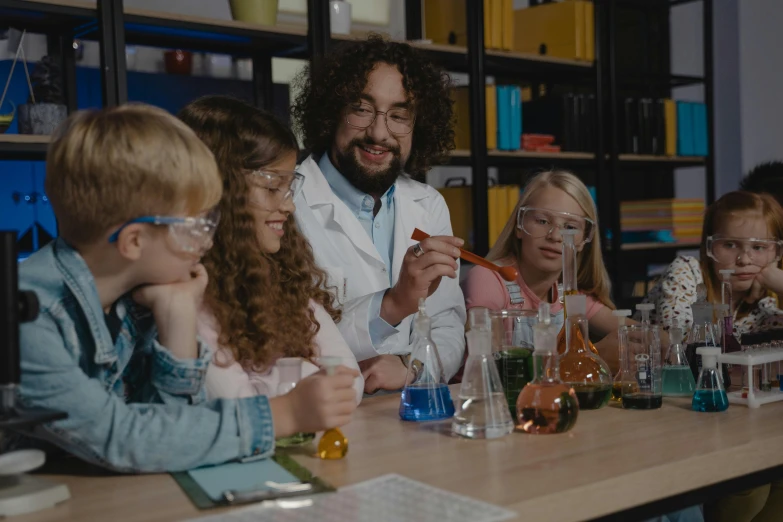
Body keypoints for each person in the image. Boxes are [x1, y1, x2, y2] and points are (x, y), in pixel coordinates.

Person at [7, 104, 358, 473]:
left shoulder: (141, 295)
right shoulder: (32, 319)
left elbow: (174, 433)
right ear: (134, 242)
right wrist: (282, 414)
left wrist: (178, 320)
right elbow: (122, 438)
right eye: (197, 224)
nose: (209, 240)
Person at [290, 35, 466, 393]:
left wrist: (412, 369)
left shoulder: (428, 204)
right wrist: (392, 305)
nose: (379, 132)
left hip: (409, 408)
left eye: (399, 115)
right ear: (332, 111)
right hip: (324, 414)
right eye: (361, 108)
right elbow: (285, 341)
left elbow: (447, 323)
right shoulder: (288, 202)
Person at [178, 95, 363, 403]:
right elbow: (239, 407)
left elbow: (349, 384)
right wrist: (302, 375)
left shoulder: (282, 282)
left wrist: (276, 384)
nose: (289, 205)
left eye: (289, 187)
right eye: (271, 187)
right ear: (221, 191)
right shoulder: (190, 291)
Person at [462, 170, 620, 367]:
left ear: (583, 241)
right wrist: (590, 358)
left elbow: (634, 331)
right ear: (519, 226)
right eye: (542, 221)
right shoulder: (487, 279)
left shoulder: (568, 296)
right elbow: (489, 366)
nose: (555, 236)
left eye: (570, 227)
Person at [641, 191, 783, 333]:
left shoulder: (766, 304)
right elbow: (680, 337)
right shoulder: (686, 271)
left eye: (759, 247)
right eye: (730, 245)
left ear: (777, 252)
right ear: (709, 246)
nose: (744, 260)